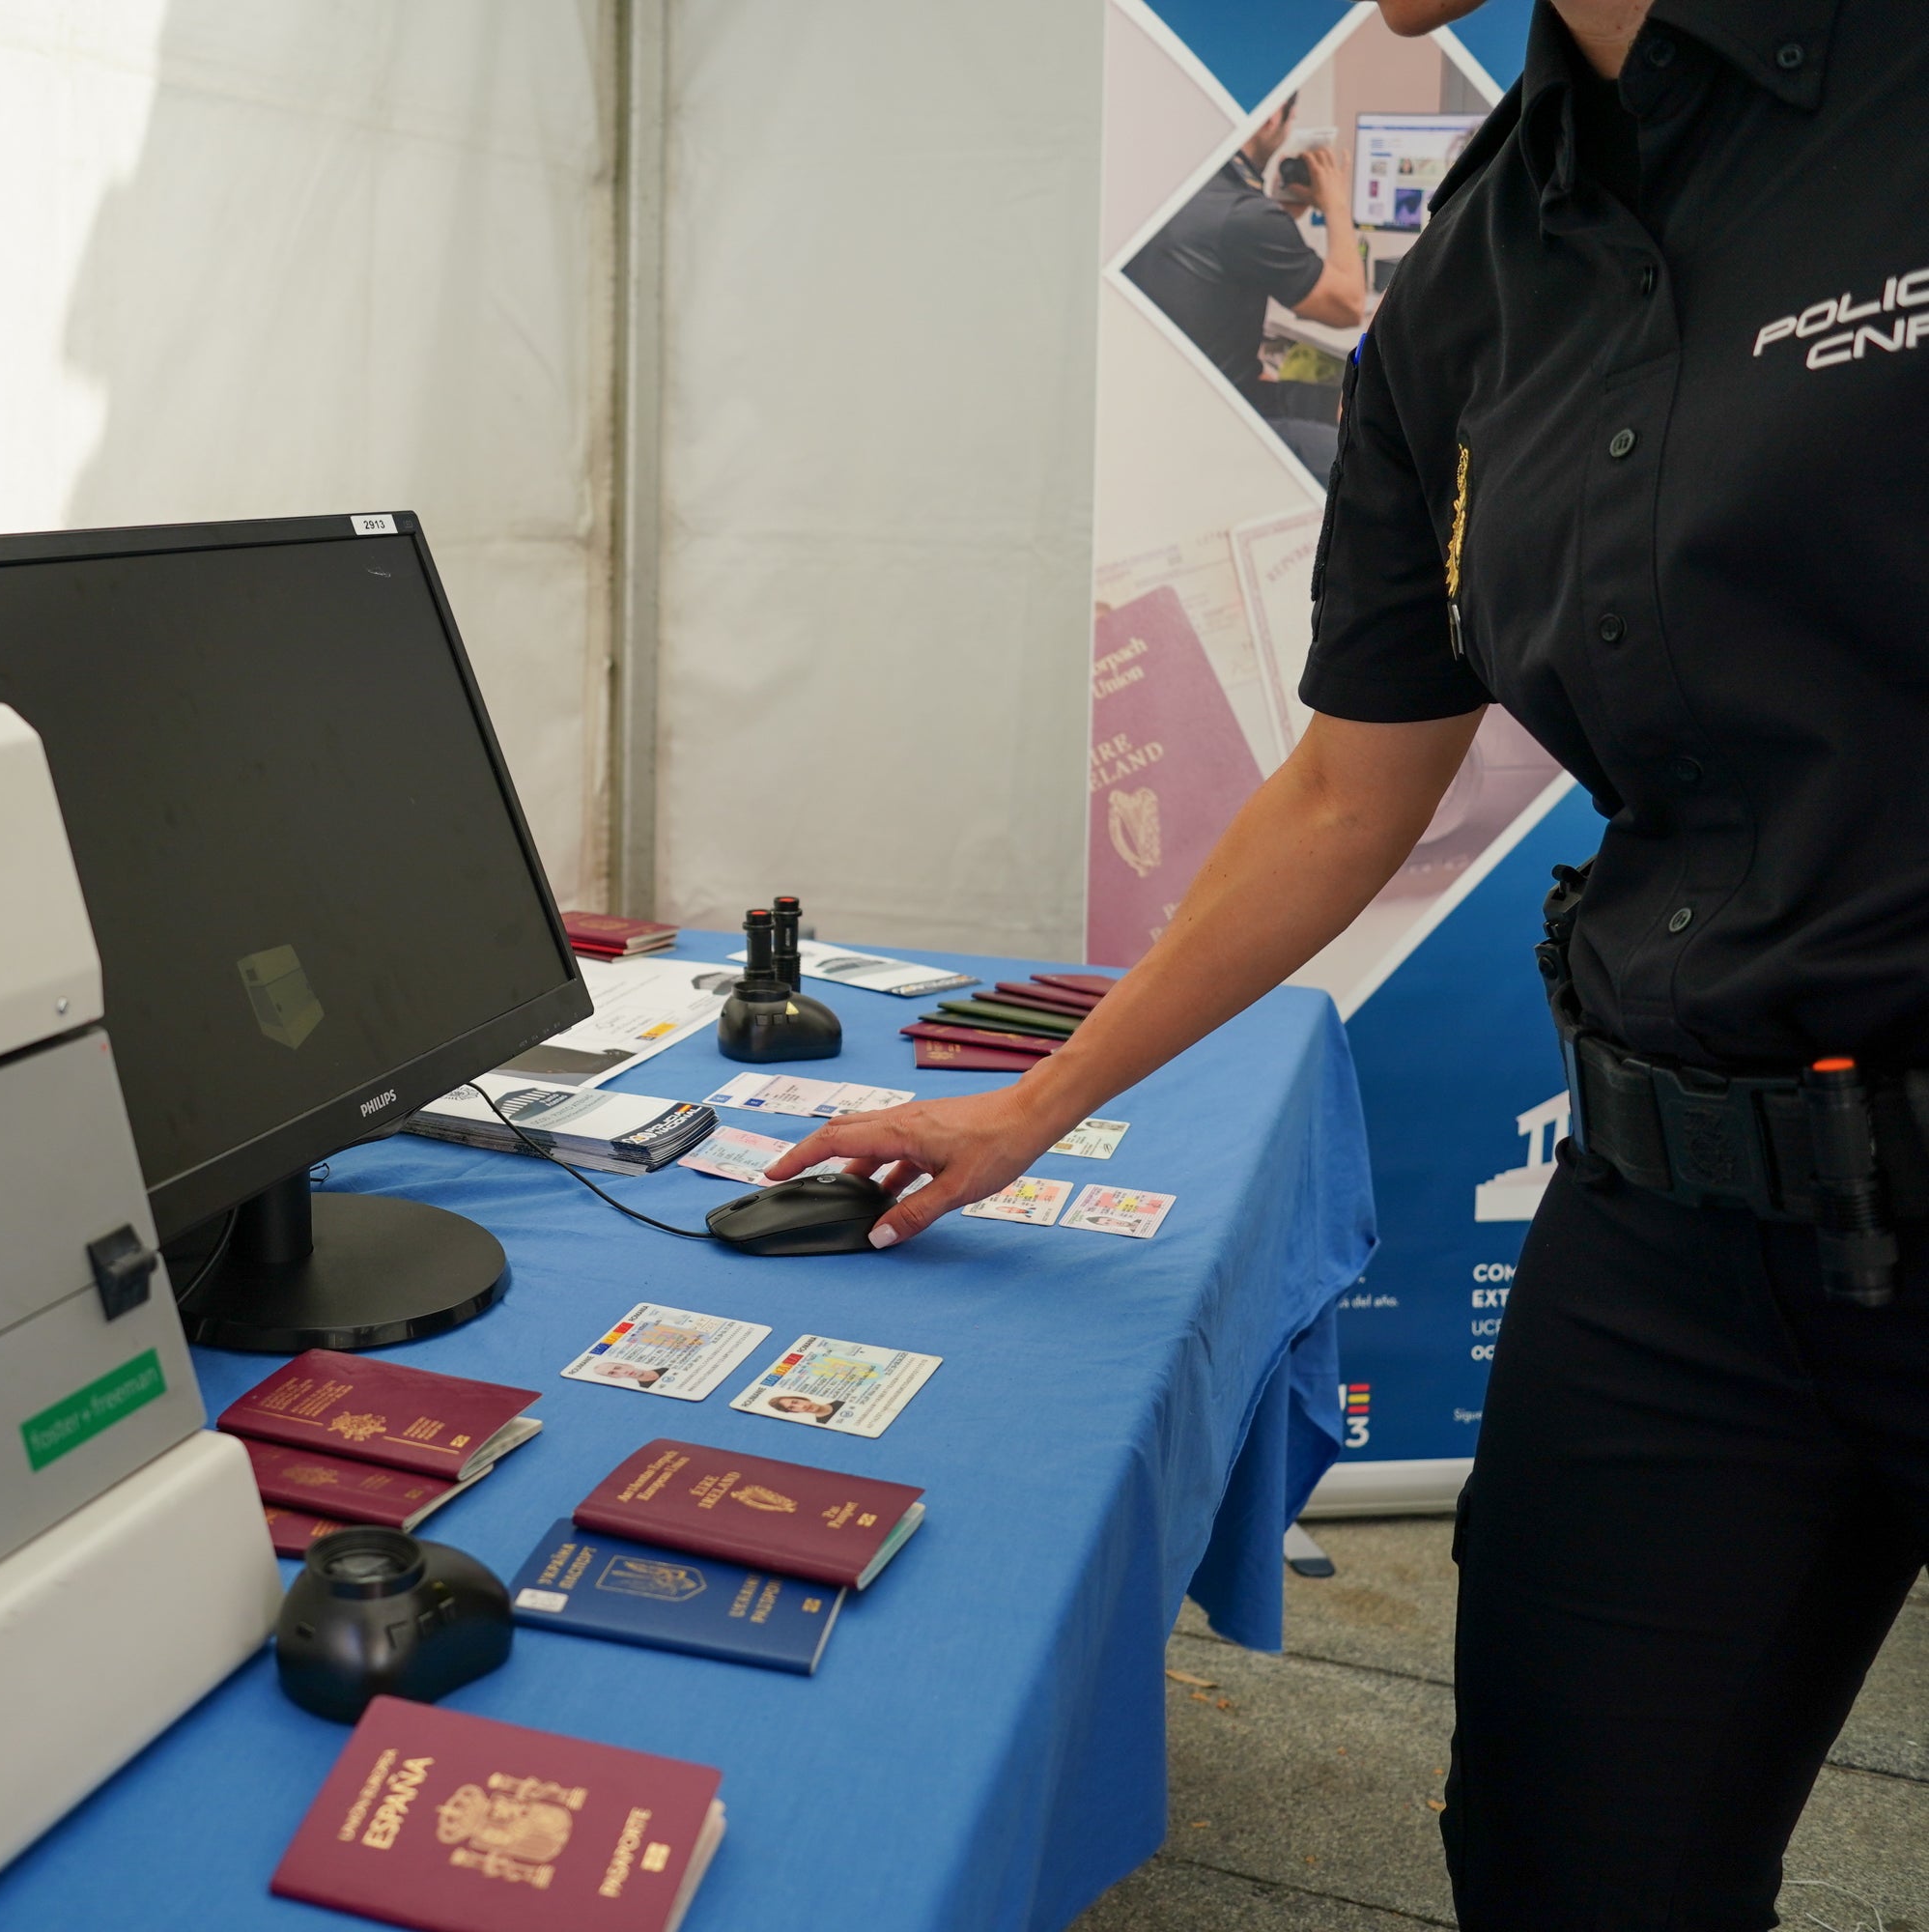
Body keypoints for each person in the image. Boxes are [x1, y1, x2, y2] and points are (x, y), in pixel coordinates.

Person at [778, 1, 1928, 1922]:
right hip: (1680, 1220)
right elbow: (1347, 782)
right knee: (1570, 1862)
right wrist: (1032, 1107)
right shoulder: (1482, 260)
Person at [1123, 92, 1366, 479]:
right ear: (1272, 116)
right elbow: (1348, 305)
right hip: (1218, 421)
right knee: (1366, 446)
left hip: (1173, 404)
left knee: (1348, 400)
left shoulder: (1178, 184)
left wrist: (1279, 210)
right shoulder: (1247, 216)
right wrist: (1335, 201)